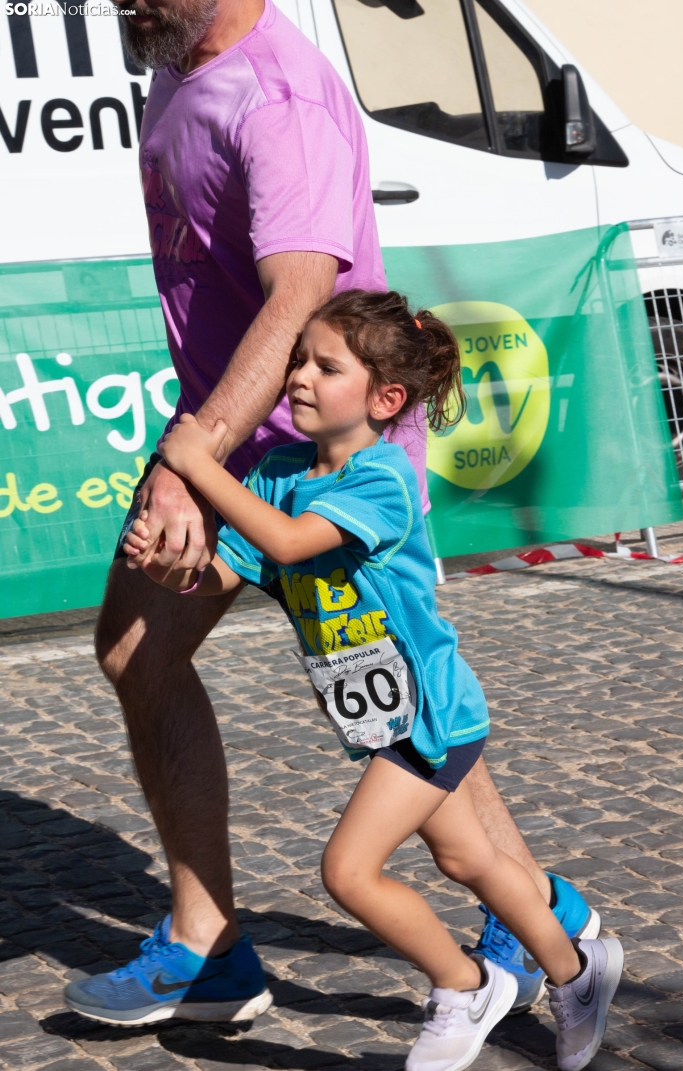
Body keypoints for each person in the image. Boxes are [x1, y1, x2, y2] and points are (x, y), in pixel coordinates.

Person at [70, 0, 599, 1029]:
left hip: (318, 465)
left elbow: (299, 293)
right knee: (146, 650)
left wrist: (193, 462)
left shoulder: (283, 99)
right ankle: (210, 942)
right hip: (238, 441)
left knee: (410, 720)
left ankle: (537, 918)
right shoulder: (180, 58)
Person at [121, 291, 624, 1071]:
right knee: (473, 862)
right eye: (298, 361)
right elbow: (227, 568)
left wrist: (195, 463)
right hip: (379, 722)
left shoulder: (381, 480)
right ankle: (577, 970)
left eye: (326, 366)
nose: (299, 378)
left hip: (429, 715)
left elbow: (289, 544)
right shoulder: (284, 473)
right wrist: (170, 563)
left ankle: (465, 984)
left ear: (385, 398)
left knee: (348, 871)